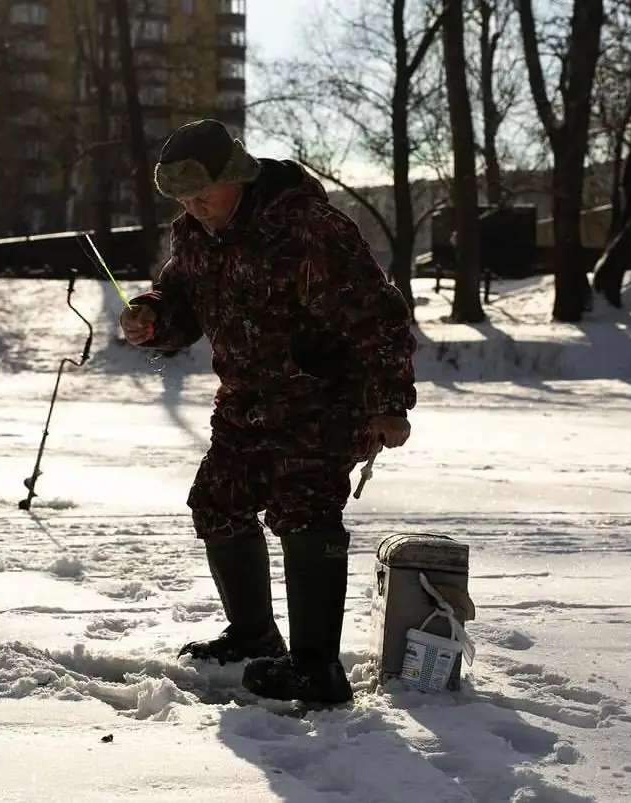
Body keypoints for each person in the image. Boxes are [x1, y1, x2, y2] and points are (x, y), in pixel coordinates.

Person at [120, 119, 417, 706]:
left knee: (304, 511)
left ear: (237, 176)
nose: (196, 207)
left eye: (204, 194)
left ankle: (316, 669)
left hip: (322, 401)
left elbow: (378, 316)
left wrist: (388, 402)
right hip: (246, 404)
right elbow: (181, 300)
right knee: (217, 502)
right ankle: (254, 636)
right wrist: (152, 318)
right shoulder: (195, 237)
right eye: (184, 199)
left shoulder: (308, 228)